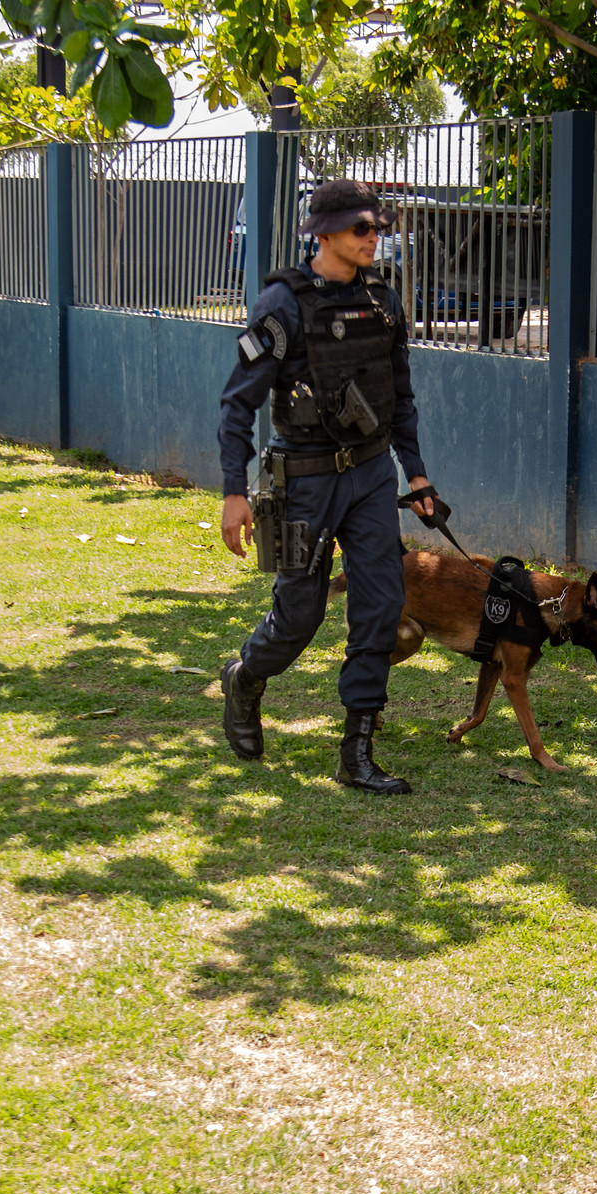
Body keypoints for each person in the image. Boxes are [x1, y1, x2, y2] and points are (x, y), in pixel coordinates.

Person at [215, 179, 437, 795]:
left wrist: (414, 474)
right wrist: (235, 491)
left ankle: (356, 753)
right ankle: (245, 678)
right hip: (304, 483)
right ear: (327, 234)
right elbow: (238, 407)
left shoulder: (384, 302)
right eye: (363, 229)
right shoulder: (282, 306)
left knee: (381, 604)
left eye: (377, 228)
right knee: (299, 616)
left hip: (369, 475)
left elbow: (400, 397)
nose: (375, 237)